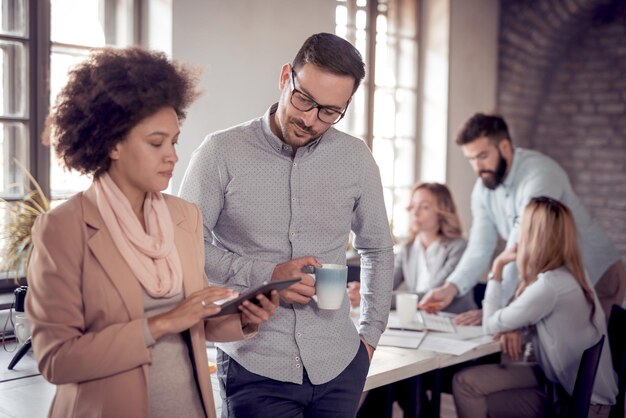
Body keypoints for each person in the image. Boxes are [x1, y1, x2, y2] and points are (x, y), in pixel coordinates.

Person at [25, 47, 279, 418]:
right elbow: (57, 360)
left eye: (174, 141)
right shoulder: (62, 229)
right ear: (112, 143)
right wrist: (161, 324)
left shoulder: (184, 218)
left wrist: (245, 317)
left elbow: (197, 324)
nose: (173, 156)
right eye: (156, 143)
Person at [179, 33, 394, 418]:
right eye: (304, 100)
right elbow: (182, 247)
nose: (310, 120)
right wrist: (266, 274)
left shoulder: (356, 159)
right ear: (285, 77)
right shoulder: (219, 153)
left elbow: (377, 248)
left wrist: (370, 337)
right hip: (254, 363)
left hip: (340, 365)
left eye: (329, 111)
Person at [422, 113, 626, 322]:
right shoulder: (483, 189)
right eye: (471, 159)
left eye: (482, 156)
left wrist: (497, 310)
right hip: (555, 282)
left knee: (594, 350)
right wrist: (451, 287)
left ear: (504, 146)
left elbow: (520, 245)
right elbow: (479, 247)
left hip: (597, 274)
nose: (477, 167)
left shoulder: (540, 175)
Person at [453, 196, 618, 418]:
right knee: (468, 384)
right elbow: (528, 316)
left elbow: (490, 325)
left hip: (582, 406)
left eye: (521, 225)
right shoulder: (569, 275)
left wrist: (498, 266)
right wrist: (516, 326)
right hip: (561, 388)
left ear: (533, 235)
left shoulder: (550, 286)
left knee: (466, 385)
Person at [350, 182, 472, 418]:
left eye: (424, 207)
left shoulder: (459, 248)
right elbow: (385, 284)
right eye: (413, 206)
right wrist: (365, 290)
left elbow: (432, 296)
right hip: (423, 334)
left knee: (401, 378)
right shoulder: (409, 248)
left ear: (442, 211)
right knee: (397, 377)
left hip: (457, 336)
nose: (415, 212)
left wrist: (373, 296)